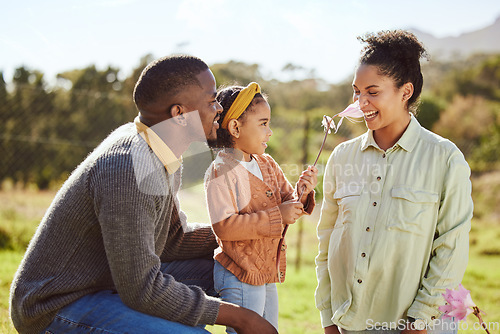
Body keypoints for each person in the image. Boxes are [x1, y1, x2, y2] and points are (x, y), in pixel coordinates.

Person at [10, 55, 279, 334]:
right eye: (212, 102)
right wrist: (241, 318)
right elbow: (142, 288)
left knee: (243, 267)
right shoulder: (127, 166)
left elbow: (170, 242)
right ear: (179, 114)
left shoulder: (162, 150)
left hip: (110, 283)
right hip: (60, 305)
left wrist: (246, 233)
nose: (220, 109)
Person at [315, 30, 473, 334]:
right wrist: (328, 318)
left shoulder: (445, 159)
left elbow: (451, 248)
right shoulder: (341, 157)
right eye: (356, 91)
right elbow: (326, 243)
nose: (361, 103)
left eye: (373, 92)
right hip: (349, 324)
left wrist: (420, 321)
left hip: (418, 326)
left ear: (405, 92)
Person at [204, 82, 319, 333]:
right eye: (263, 123)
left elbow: (290, 201)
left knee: (269, 329)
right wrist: (279, 215)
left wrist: (304, 191)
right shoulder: (220, 172)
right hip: (239, 272)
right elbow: (224, 227)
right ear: (235, 127)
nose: (270, 132)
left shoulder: (267, 163)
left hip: (264, 271)